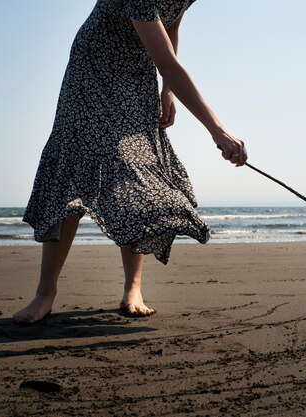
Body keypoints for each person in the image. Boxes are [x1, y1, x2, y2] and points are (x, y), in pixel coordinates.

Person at [13, 0, 247, 323]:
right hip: (91, 68)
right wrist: (217, 130)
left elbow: (171, 26)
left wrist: (168, 92)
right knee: (73, 168)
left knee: (135, 172)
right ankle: (45, 293)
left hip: (137, 72)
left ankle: (133, 288)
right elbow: (166, 62)